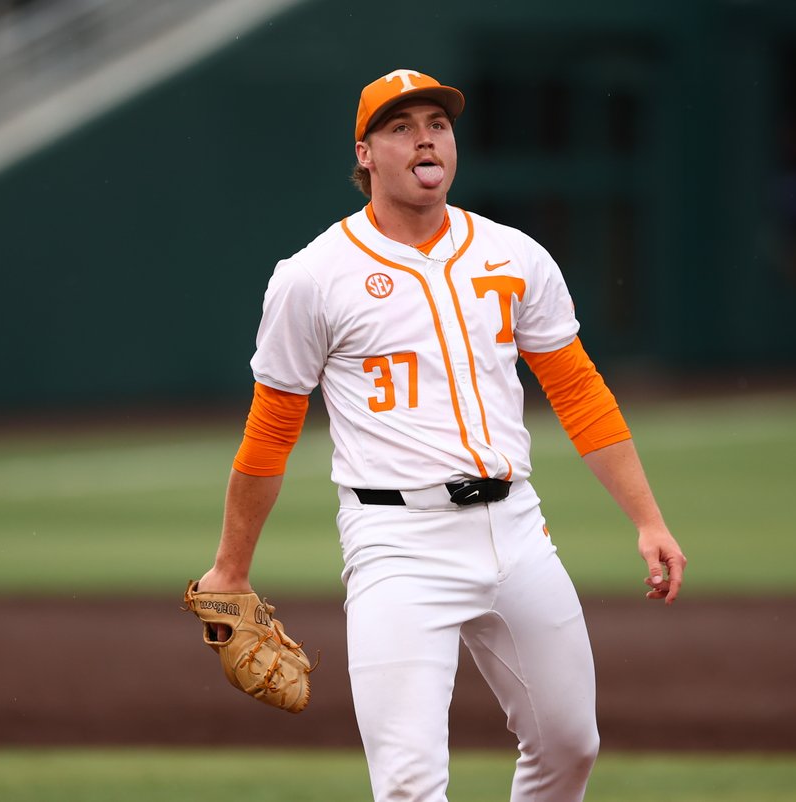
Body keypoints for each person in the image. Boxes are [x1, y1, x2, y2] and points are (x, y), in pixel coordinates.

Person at [196, 68, 686, 802]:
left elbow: (578, 391)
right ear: (365, 154)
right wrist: (230, 571)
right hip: (397, 544)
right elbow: (271, 431)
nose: (425, 137)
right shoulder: (313, 276)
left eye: (438, 123)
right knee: (409, 785)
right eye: (400, 127)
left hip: (514, 527)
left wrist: (647, 519)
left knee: (571, 745)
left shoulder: (513, 256)